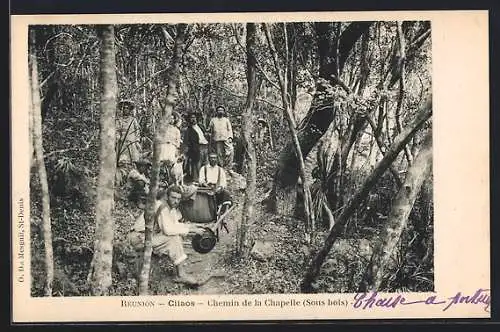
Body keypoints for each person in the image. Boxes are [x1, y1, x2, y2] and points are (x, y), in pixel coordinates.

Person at [129, 186, 206, 286]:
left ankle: (179, 271)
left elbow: (175, 225)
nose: (176, 201)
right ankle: (181, 274)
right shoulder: (162, 207)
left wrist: (193, 227)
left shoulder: (171, 209)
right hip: (138, 238)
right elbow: (168, 230)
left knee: (176, 235)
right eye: (173, 197)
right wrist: (191, 230)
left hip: (148, 236)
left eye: (178, 199)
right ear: (166, 196)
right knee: (173, 238)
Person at [183, 113, 209, 182]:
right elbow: (186, 141)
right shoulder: (188, 130)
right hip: (197, 148)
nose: (193, 119)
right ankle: (196, 179)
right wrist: (187, 151)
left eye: (194, 117)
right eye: (191, 118)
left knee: (206, 163)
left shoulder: (201, 126)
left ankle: (205, 179)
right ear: (189, 120)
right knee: (197, 164)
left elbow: (206, 134)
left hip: (206, 146)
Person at [117, 100, 142, 164]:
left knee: (133, 160)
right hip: (122, 142)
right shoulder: (119, 120)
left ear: (130, 110)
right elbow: (117, 130)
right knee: (122, 161)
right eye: (124, 108)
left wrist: (137, 141)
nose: (125, 110)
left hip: (132, 142)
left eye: (127, 108)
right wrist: (118, 138)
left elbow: (137, 131)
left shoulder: (133, 120)